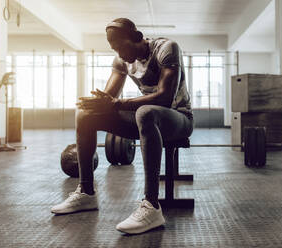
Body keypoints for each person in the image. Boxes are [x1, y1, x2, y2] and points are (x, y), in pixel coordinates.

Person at [51, 18, 193, 234]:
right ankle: (87, 193)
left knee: (146, 112)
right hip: (149, 120)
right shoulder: (122, 61)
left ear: (136, 38)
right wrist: (98, 103)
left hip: (179, 118)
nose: (118, 52)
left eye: (120, 46)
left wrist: (117, 104)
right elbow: (110, 99)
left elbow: (165, 98)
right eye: (113, 48)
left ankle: (152, 206)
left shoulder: (166, 49)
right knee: (85, 115)